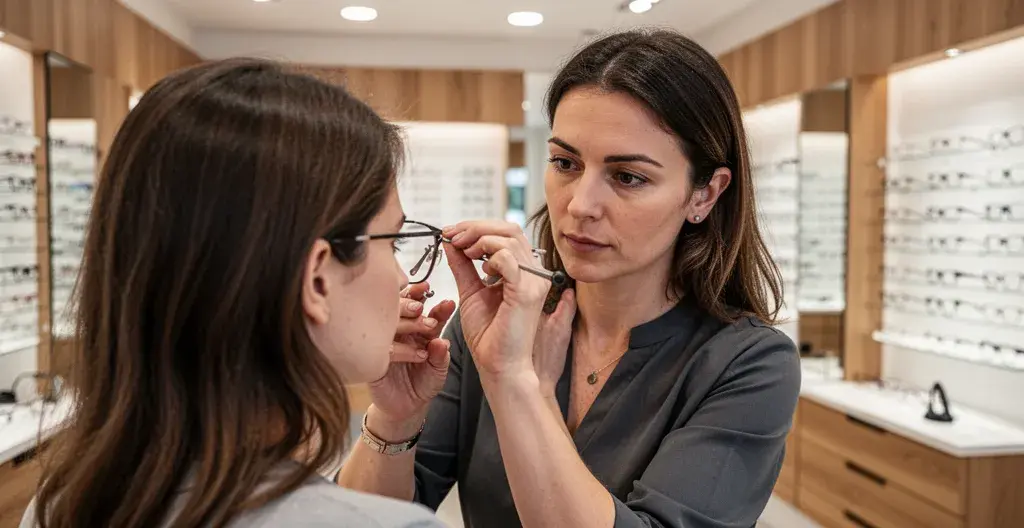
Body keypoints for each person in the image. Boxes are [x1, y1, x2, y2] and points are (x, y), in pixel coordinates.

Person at [339, 27, 801, 528]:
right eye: (565, 162)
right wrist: (394, 418)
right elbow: (369, 519)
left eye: (627, 177)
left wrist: (517, 384)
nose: (579, 205)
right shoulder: (502, 320)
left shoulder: (748, 364)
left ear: (704, 195)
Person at [25, 58, 451, 528]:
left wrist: (393, 422)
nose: (400, 278)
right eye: (392, 242)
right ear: (316, 278)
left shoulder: (59, 504)